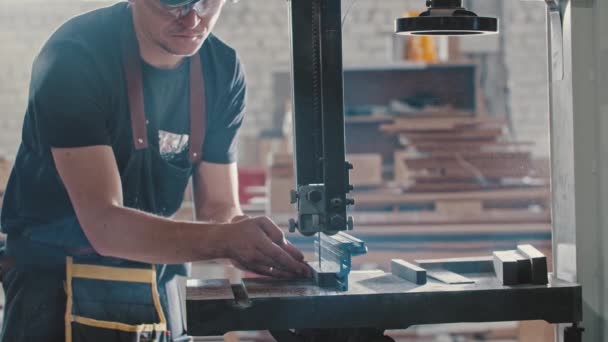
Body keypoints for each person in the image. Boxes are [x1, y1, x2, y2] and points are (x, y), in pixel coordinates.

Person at [0, 0, 310, 340]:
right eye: (174, 4)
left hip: (155, 277)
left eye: (208, 2)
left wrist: (247, 239)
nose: (193, 19)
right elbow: (104, 224)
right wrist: (224, 241)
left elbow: (219, 207)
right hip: (54, 284)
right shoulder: (75, 57)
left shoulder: (222, 70)